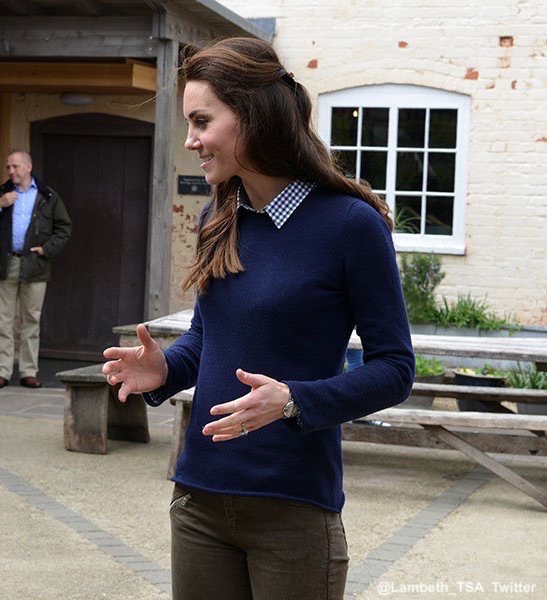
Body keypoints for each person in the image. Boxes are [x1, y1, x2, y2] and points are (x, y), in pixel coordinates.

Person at [102, 37, 414, 599]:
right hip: (199, 500)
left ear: (251, 114)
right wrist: (164, 371)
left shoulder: (350, 225)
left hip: (293, 510)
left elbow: (394, 368)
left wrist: (293, 399)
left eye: (201, 121)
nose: (191, 141)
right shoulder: (217, 217)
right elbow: (208, 337)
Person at [0, 150, 72, 389]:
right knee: (3, 322)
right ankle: (2, 372)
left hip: (35, 264)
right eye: (8, 167)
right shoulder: (2, 193)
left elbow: (64, 228)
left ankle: (28, 371)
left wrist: (47, 249)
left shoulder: (48, 196)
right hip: (4, 263)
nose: (11, 171)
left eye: (15, 166)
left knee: (31, 322)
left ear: (28, 167)